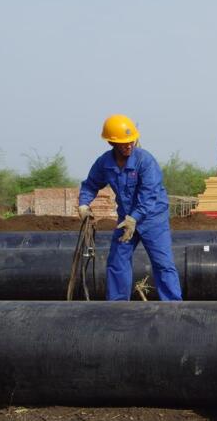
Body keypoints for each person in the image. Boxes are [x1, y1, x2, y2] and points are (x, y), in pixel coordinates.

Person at [78, 114, 182, 301]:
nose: (129, 145)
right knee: (117, 261)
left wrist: (134, 218)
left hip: (152, 218)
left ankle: (173, 306)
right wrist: (84, 204)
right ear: (112, 142)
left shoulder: (145, 161)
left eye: (131, 140)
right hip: (125, 219)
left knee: (163, 263)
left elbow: (148, 195)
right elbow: (90, 184)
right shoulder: (105, 163)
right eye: (124, 142)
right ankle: (117, 307)